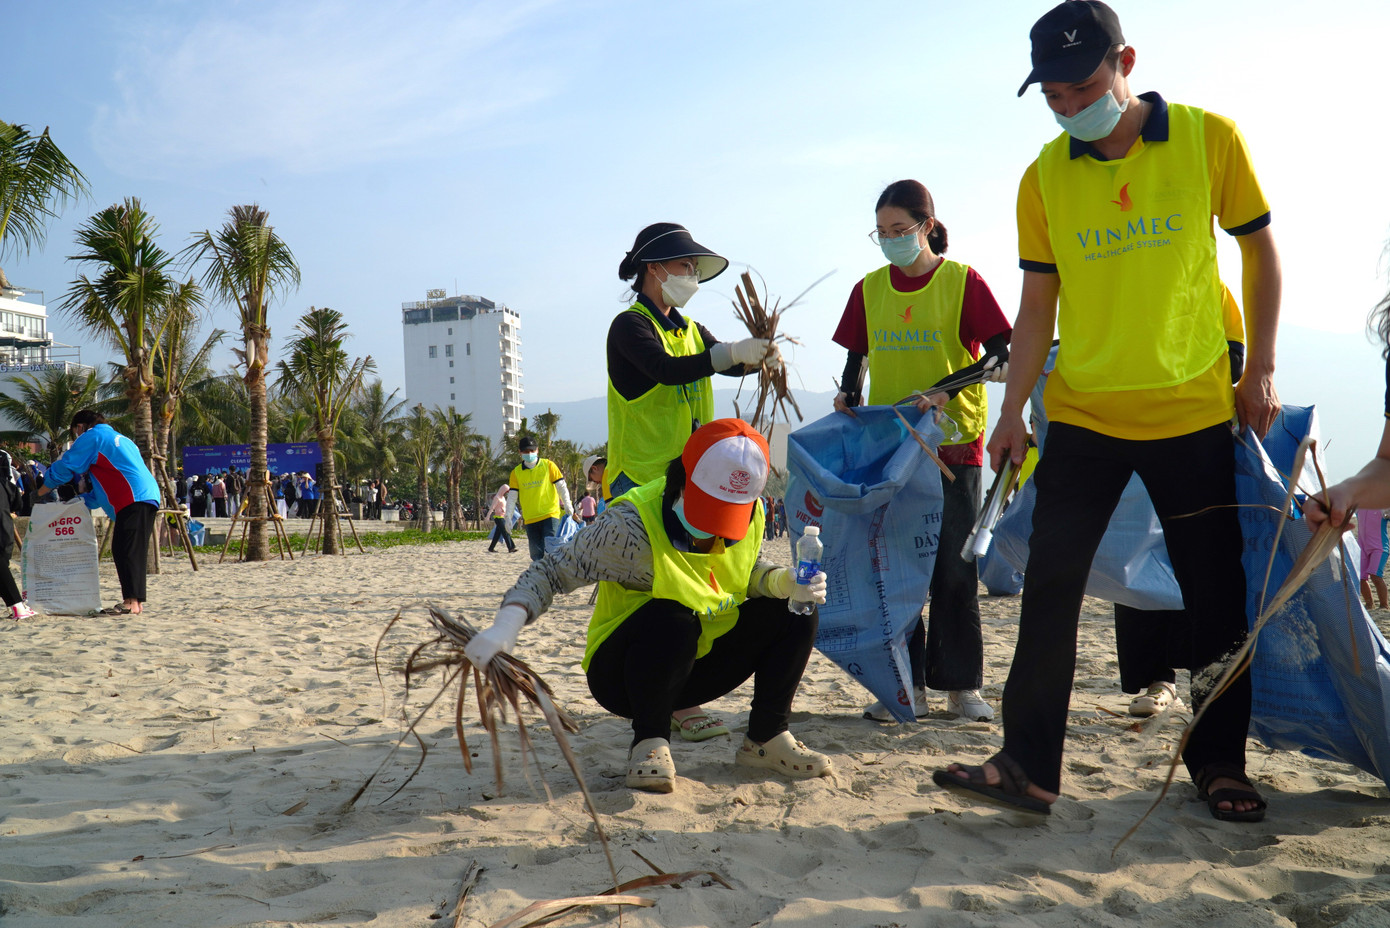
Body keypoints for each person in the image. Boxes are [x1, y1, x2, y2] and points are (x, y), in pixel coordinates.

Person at [936, 1, 1279, 822]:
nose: (1065, 106)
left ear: (1126, 61)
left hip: (1192, 406)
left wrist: (1259, 366)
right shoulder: (1044, 176)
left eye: (1080, 86)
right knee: (1049, 583)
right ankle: (1028, 766)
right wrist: (1013, 410)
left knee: (1213, 593)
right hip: (1084, 414)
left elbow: (1260, 249)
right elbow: (1036, 310)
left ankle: (1219, 764)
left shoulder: (1209, 138)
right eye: (1050, 95)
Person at [465, 419, 832, 793]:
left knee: (795, 609)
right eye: (710, 510)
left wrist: (782, 582)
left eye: (728, 516)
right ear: (683, 481)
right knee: (672, 617)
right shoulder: (629, 527)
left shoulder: (752, 513)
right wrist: (506, 625)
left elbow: (741, 571)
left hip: (698, 662)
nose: (717, 532)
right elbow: (552, 572)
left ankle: (766, 738)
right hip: (628, 673)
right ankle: (649, 742)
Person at [832, 179, 1013, 724]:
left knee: (954, 572)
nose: (891, 241)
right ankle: (905, 686)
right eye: (882, 233)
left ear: (928, 227)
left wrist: (946, 389)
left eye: (901, 231)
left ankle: (962, 689)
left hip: (954, 445)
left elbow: (1001, 356)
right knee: (896, 572)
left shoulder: (963, 282)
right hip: (893, 450)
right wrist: (847, 391)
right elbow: (856, 354)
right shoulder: (868, 289)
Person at [606, 222, 778, 499]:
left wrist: (759, 357)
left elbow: (728, 363)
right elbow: (665, 369)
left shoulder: (692, 329)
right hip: (639, 479)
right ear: (653, 267)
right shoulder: (629, 325)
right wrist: (732, 352)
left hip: (689, 474)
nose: (692, 275)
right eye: (686, 265)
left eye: (694, 269)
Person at [37, 410, 161, 616]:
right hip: (145, 495)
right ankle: (136, 603)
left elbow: (67, 466)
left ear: (79, 427)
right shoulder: (120, 439)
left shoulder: (93, 436)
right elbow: (100, 491)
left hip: (132, 497)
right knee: (130, 549)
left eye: (75, 433)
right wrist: (78, 502)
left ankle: (131, 602)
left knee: (126, 550)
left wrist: (41, 490)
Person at [503, 436, 575, 561]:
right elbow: (512, 496)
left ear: (537, 451)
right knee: (536, 555)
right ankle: (541, 578)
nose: (529, 454)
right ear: (520, 452)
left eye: (532, 451)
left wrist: (568, 504)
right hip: (530, 518)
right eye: (526, 451)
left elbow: (561, 487)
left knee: (552, 551)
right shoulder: (516, 472)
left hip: (550, 515)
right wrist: (508, 516)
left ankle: (553, 578)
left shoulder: (548, 465)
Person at [1, 450, 37, 620]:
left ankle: (17, 607)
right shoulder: (6, 485)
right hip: (3, 530)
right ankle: (17, 607)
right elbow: (18, 503)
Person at [486, 483, 517, 553]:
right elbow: (492, 508)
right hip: (498, 518)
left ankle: (491, 548)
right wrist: (488, 516)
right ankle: (511, 547)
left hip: (503, 517)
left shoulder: (503, 498)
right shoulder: (497, 498)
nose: (506, 493)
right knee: (505, 532)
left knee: (497, 534)